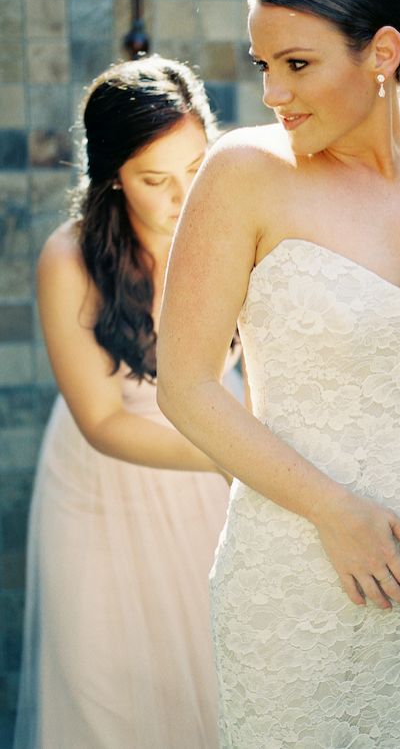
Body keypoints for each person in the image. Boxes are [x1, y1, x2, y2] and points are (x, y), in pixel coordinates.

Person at [156, 0, 400, 748]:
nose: (273, 93)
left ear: (383, 52)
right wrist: (334, 509)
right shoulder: (243, 173)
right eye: (264, 65)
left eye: (297, 64)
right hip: (296, 569)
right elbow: (185, 384)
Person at [13, 55, 236, 749]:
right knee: (104, 692)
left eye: (196, 167)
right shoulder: (69, 258)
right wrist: (237, 456)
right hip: (106, 484)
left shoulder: (235, 227)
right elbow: (103, 420)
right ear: (113, 176)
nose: (183, 196)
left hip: (214, 479)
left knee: (210, 679)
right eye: (155, 180)